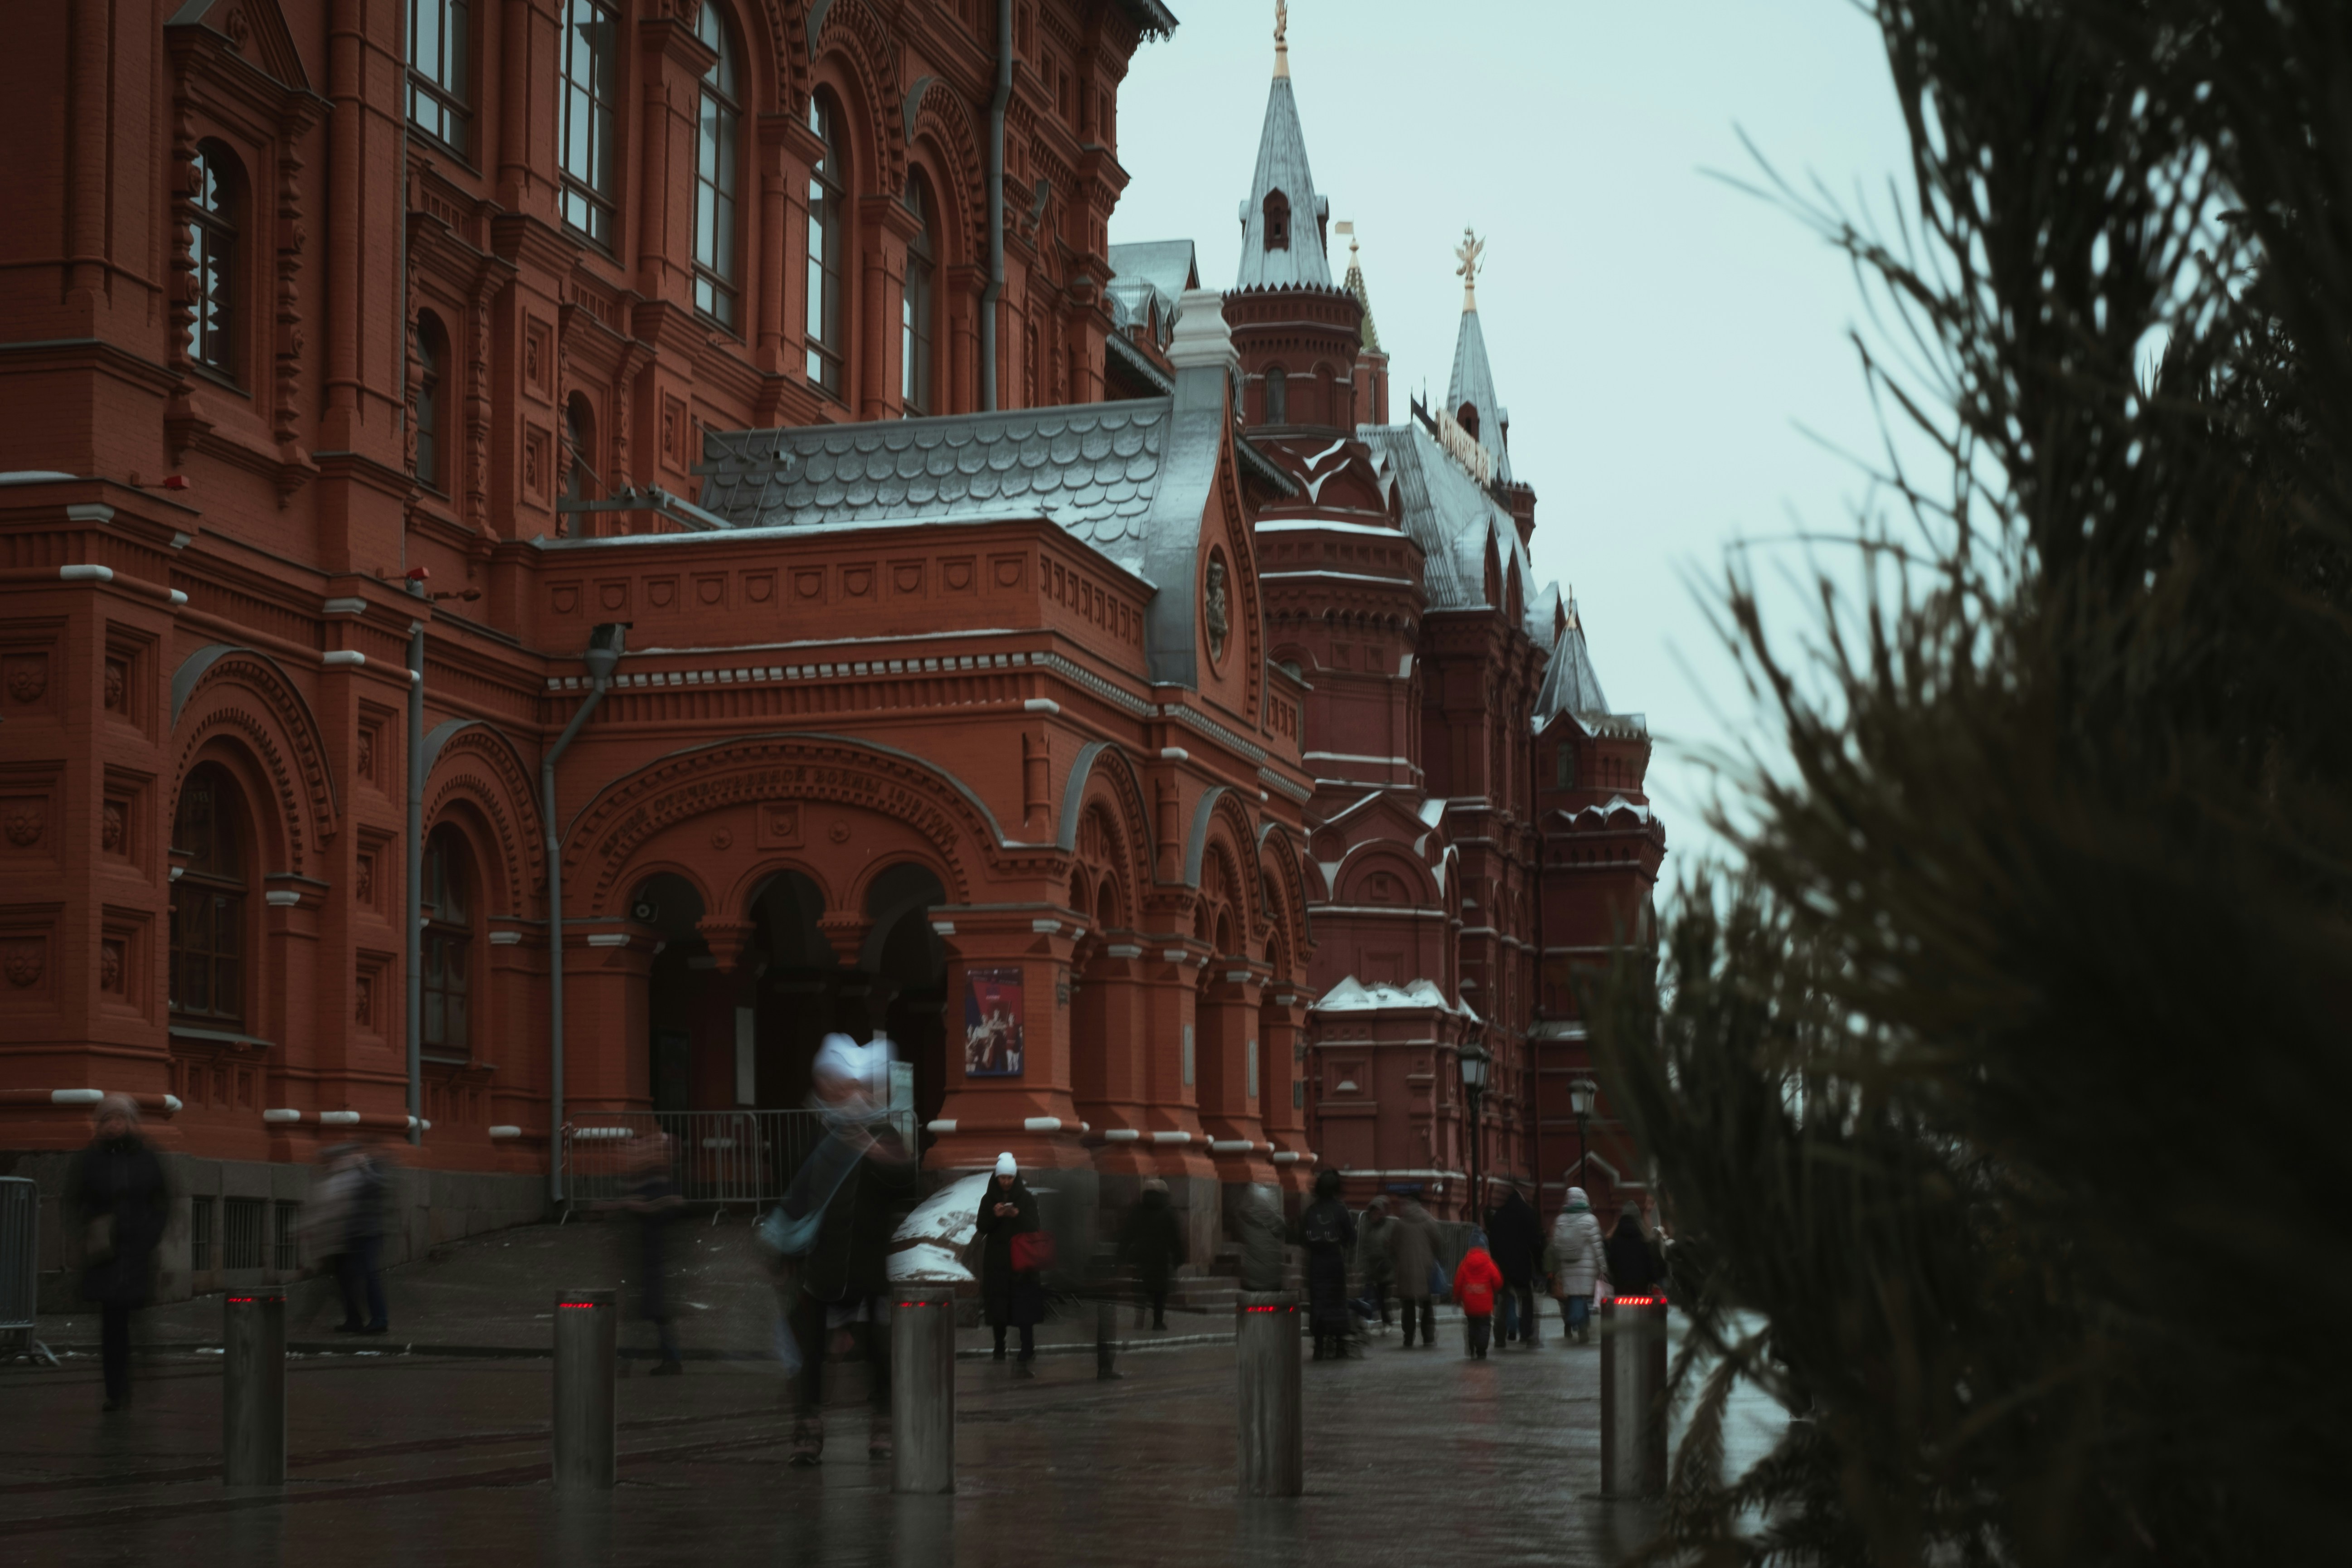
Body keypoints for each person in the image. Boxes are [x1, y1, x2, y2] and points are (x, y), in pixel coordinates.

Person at [765, 1034, 917, 1463]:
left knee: (877, 1350)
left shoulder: (882, 1133)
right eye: (837, 1086)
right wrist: (785, 1258)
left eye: (853, 1087)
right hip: (820, 1266)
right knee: (810, 1350)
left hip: (868, 1266)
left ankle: (883, 1422)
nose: (847, 1095)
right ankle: (808, 1428)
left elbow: (906, 1185)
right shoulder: (816, 1136)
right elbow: (796, 1199)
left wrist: (874, 1152)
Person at [68, 1095, 168, 1412]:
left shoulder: (147, 1157)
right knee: (113, 1323)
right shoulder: (91, 1158)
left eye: (120, 1119)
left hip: (137, 1251)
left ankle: (141, 1369)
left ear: (129, 1122)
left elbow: (161, 1200)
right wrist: (88, 1231)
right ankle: (116, 1390)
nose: (114, 1124)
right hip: (106, 1254)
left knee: (134, 1316)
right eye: (109, 1119)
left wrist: (149, 1234)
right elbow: (74, 1200)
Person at [617, 1131, 685, 1374]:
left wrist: (640, 1206)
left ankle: (628, 1360)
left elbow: (668, 1207)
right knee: (653, 1313)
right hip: (651, 1255)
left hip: (656, 1256)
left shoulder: (664, 1183)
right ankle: (668, 1359)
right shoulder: (654, 1180)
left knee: (649, 1312)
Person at [976, 1151, 1045, 1376]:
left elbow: (1034, 1226)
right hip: (997, 1261)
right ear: (997, 1178)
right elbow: (982, 1227)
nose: (1006, 1182)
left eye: (1010, 1178)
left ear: (1015, 1178)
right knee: (998, 1303)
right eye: (1002, 1178)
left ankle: (1027, 1347)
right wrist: (995, 1216)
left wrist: (1017, 1215)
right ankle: (999, 1346)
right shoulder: (988, 1199)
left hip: (1021, 1260)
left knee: (1023, 1304)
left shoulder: (1026, 1199)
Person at [1299, 1170, 1357, 1361]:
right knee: (1337, 1302)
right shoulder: (1340, 1209)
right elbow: (1351, 1237)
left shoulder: (1311, 1210)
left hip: (1316, 1264)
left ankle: (1320, 1346)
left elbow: (1302, 1237)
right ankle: (1341, 1345)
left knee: (1319, 1303)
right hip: (1334, 1263)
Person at [1117, 1177, 1186, 1330]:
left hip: (1141, 1255)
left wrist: (1121, 1256)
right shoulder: (1167, 1212)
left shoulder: (1137, 1211)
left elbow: (1127, 1235)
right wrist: (1178, 1257)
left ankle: (1140, 1316)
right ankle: (1158, 1321)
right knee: (1160, 1291)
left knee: (1141, 1287)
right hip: (1160, 1257)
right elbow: (1174, 1238)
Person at [1484, 1183, 1544, 1348]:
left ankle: (1500, 1338)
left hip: (1502, 1267)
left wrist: (1495, 1264)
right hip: (1521, 1266)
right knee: (1526, 1299)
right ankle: (1526, 1334)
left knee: (1503, 1301)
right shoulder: (1527, 1213)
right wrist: (1540, 1267)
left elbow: (1493, 1243)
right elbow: (1535, 1243)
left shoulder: (1500, 1215)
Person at [1546, 1186, 1606, 1344]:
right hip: (1587, 1267)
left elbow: (1556, 1244)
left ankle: (1579, 1325)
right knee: (1581, 1296)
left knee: (1575, 1295)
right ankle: (1580, 1324)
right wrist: (1603, 1266)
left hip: (1568, 1266)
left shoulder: (1561, 1220)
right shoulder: (1591, 1220)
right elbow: (1597, 1246)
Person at [1383, 1196, 1443, 1349]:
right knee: (1427, 1304)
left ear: (1407, 1205)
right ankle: (1428, 1338)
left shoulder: (1400, 1224)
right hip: (1426, 1269)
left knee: (1408, 1305)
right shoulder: (1430, 1221)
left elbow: (1392, 1247)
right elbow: (1438, 1243)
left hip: (1405, 1270)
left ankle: (1408, 1338)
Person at [1452, 1230, 1505, 1359]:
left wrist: (1457, 1298)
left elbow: (1458, 1283)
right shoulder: (1489, 1263)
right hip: (1485, 1304)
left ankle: (1471, 1346)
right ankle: (1482, 1349)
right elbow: (1498, 1281)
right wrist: (1493, 1289)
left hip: (1470, 1303)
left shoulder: (1465, 1263)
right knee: (1484, 1327)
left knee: (1472, 1326)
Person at [1604, 1200, 1666, 1301]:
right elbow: (1652, 1264)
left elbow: (1611, 1263)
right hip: (1642, 1288)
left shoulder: (1614, 1239)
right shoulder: (1645, 1239)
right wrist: (1653, 1280)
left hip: (1621, 1288)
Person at [1355, 1196, 1395, 1331]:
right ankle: (1371, 1320)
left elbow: (1393, 1248)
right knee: (1373, 1297)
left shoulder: (1389, 1226)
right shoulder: (1369, 1228)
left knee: (1381, 1298)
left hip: (1385, 1269)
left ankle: (1387, 1322)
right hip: (1372, 1269)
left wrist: (1387, 1262)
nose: (1374, 1215)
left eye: (1377, 1212)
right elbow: (1365, 1247)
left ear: (1382, 1213)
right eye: (1372, 1212)